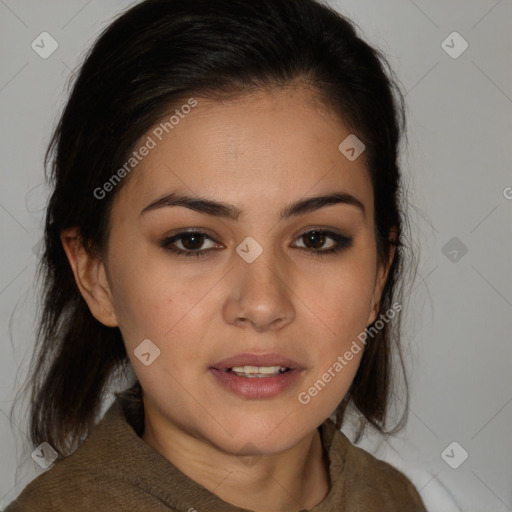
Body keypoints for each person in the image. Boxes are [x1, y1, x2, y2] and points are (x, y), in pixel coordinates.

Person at [6, 0, 427, 510]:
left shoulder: (394, 498)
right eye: (193, 241)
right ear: (95, 274)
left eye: (316, 239)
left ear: (380, 273)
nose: (263, 304)